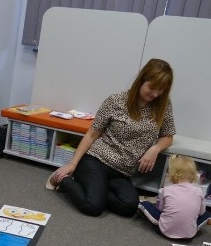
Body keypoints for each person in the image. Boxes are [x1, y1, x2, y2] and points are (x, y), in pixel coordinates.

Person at [46, 58, 176, 217]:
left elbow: (168, 136)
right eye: (152, 87)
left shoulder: (163, 105)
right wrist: (72, 164)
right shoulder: (116, 101)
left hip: (122, 171)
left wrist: (155, 148)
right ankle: (63, 180)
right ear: (142, 80)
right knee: (93, 207)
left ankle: (93, 189)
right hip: (97, 161)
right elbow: (92, 133)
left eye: (161, 90)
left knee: (129, 206)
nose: (155, 94)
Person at [138, 155, 211, 239]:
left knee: (145, 204)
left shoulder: (166, 190)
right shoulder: (199, 191)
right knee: (207, 214)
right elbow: (201, 212)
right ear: (194, 175)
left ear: (171, 174)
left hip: (164, 230)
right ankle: (186, 227)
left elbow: (161, 210)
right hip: (189, 234)